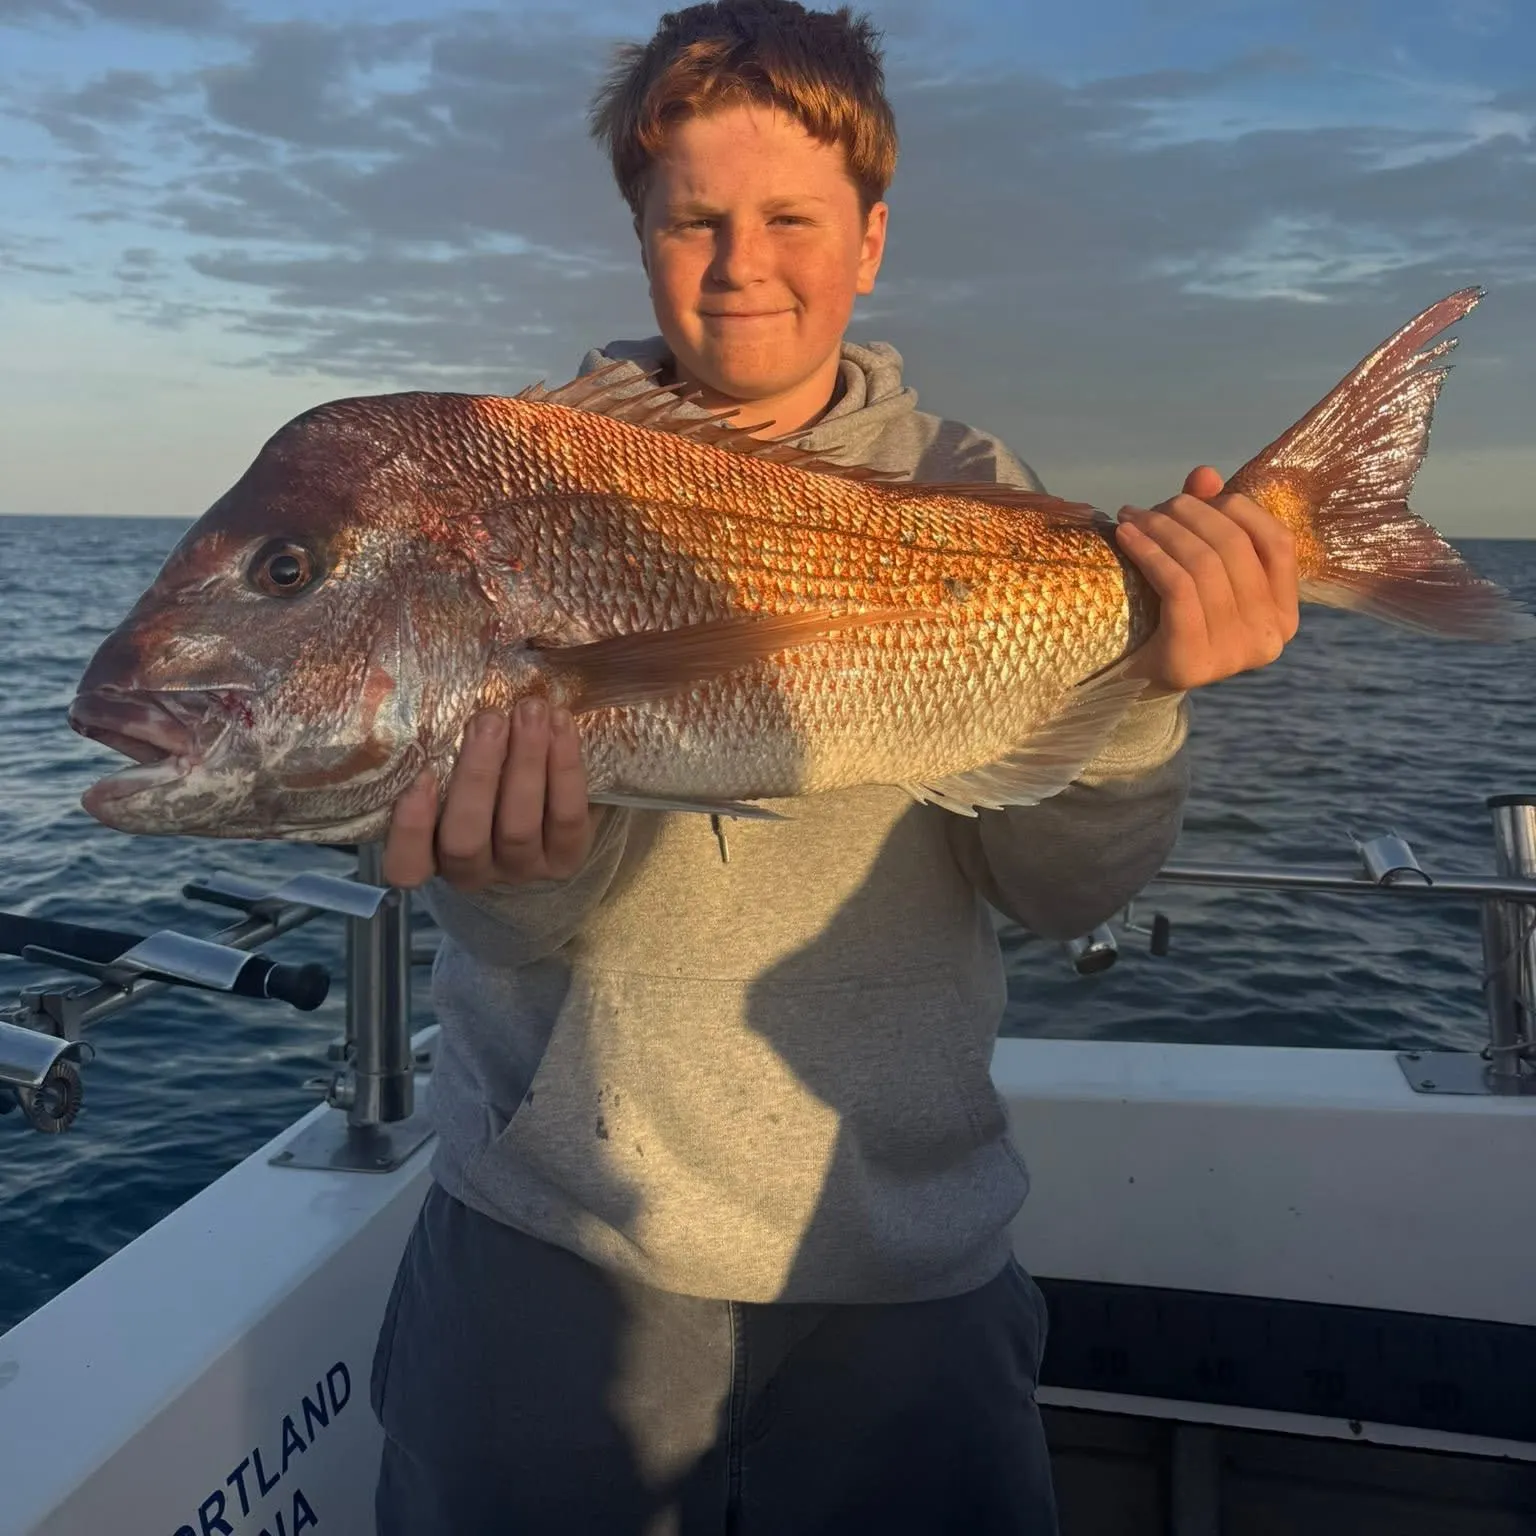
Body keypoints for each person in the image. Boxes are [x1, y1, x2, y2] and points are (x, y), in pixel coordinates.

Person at [368, 3, 1300, 1531]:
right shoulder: (528, 480)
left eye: (793, 217)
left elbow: (1060, 890)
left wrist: (1140, 692)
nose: (743, 264)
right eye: (696, 221)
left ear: (870, 240)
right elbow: (517, 921)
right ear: (642, 233)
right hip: (556, 1248)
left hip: (908, 1268)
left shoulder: (977, 495)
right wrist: (509, 875)